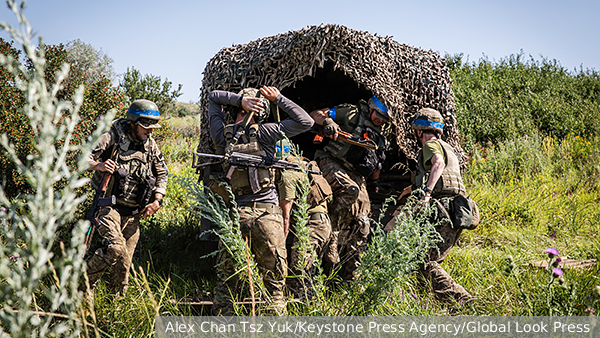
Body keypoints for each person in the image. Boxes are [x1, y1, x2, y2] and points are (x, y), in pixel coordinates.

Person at [207, 86, 313, 315]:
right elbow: (306, 122)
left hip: (236, 217)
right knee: (274, 290)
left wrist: (238, 101)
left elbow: (213, 97)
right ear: (260, 111)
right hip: (268, 217)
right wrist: (278, 98)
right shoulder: (266, 132)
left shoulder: (221, 135)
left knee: (226, 288)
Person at [85, 99, 168, 299]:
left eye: (152, 127)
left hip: (133, 215)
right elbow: (82, 158)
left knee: (124, 266)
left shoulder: (150, 145)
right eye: (146, 126)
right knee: (114, 248)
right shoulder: (110, 137)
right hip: (109, 208)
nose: (150, 131)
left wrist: (157, 200)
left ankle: (115, 306)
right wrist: (99, 165)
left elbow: (162, 174)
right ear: (133, 122)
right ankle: (83, 285)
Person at [398, 107, 475, 305]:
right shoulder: (449, 148)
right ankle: (431, 303)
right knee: (428, 260)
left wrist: (426, 192)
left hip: (442, 210)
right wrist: (413, 187)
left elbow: (438, 164)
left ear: (419, 131)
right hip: (458, 210)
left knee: (424, 261)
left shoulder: (430, 145)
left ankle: (462, 300)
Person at [310, 95, 391, 281]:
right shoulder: (351, 113)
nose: (380, 120)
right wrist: (328, 121)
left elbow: (377, 163)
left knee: (364, 221)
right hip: (330, 161)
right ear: (371, 109)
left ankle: (353, 277)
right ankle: (333, 236)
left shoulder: (382, 135)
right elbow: (315, 115)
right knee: (350, 191)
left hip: (357, 175)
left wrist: (375, 184)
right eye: (378, 115)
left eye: (384, 118)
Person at [275, 142, 333, 296]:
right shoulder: (305, 164)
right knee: (311, 273)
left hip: (312, 227)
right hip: (323, 224)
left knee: (299, 273)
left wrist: (279, 248)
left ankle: (304, 312)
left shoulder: (288, 174)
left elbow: (285, 217)